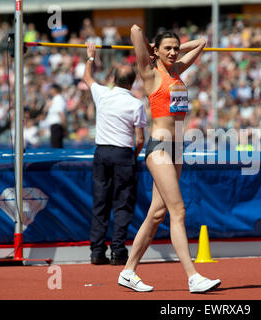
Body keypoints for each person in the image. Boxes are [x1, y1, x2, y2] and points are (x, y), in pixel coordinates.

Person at [117, 25, 221, 293]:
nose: (174, 52)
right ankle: (193, 276)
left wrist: (175, 51)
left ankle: (128, 271)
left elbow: (201, 42)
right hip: (160, 148)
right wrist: (152, 49)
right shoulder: (150, 74)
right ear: (156, 51)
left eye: (176, 48)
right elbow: (136, 30)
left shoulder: (177, 71)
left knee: (156, 214)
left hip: (177, 150)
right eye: (169, 48)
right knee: (178, 210)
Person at [83, 42, 147, 265]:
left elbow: (87, 78)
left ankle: (96, 252)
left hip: (102, 153)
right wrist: (133, 155)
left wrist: (91, 56)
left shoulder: (103, 94)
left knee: (101, 202)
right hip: (123, 155)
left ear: (112, 80)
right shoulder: (136, 104)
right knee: (122, 204)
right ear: (132, 83)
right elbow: (140, 139)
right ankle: (118, 252)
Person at [43, 84, 66, 148]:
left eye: (51, 89)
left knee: (56, 147)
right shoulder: (54, 99)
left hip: (57, 126)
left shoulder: (58, 99)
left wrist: (64, 127)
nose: (49, 90)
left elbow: (61, 113)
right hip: (55, 127)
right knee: (55, 145)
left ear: (54, 90)